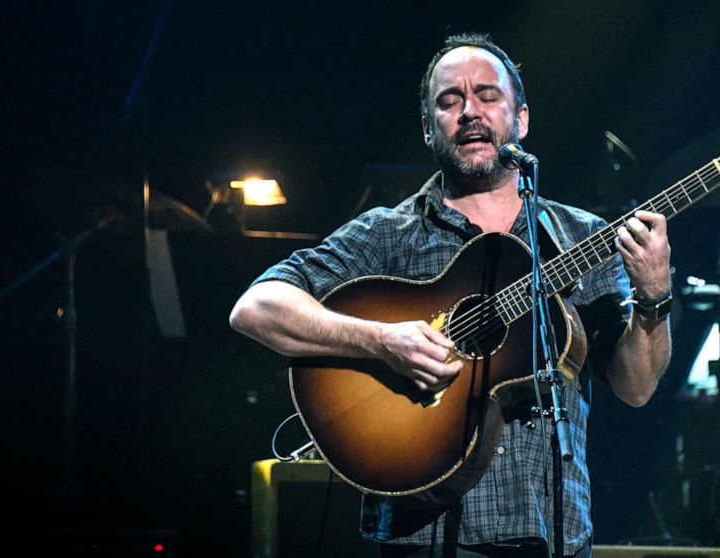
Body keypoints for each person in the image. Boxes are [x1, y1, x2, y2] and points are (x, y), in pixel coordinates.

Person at [230, 32, 673, 558]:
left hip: (551, 533)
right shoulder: (387, 234)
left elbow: (637, 387)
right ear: (427, 128)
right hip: (418, 538)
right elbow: (255, 308)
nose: (469, 112)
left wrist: (653, 298)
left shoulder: (581, 237)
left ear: (521, 119)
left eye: (487, 96)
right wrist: (379, 340)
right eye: (449, 101)